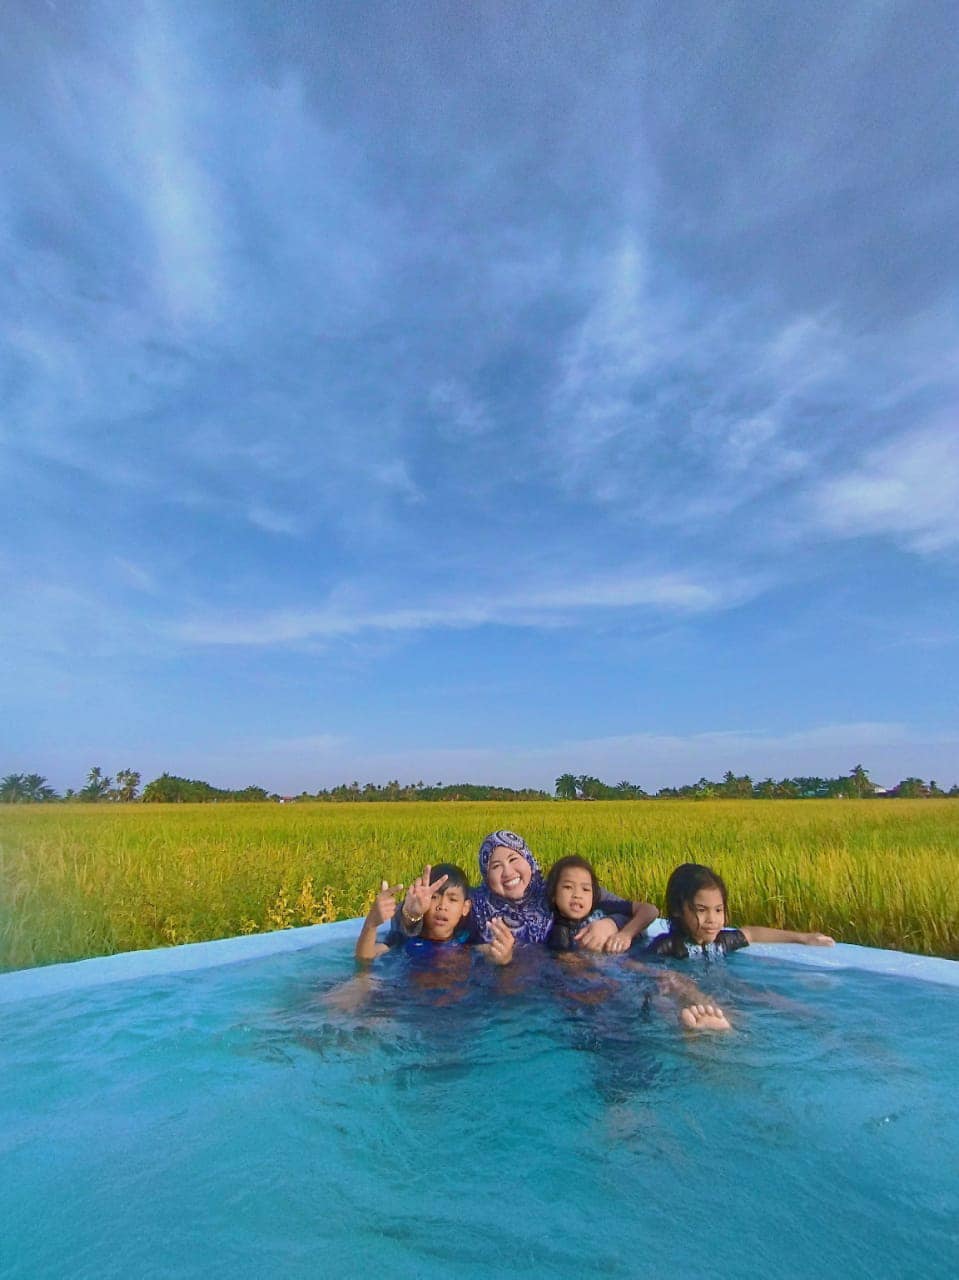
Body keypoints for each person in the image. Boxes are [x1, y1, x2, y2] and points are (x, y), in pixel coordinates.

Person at [397, 831, 658, 950]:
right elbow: (414, 924)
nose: (508, 873)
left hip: (552, 987)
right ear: (487, 877)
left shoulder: (558, 889)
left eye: (514, 860)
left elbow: (633, 910)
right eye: (496, 866)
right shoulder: (474, 902)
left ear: (530, 861)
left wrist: (611, 925)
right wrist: (411, 913)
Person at [646, 863, 835, 959]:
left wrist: (804, 938)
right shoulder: (667, 946)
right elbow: (637, 966)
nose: (712, 919)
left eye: (718, 910)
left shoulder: (722, 943)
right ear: (678, 909)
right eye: (701, 910)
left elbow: (752, 933)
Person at [355, 862, 514, 965]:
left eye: (452, 899)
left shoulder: (466, 940)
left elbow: (495, 955)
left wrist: (505, 957)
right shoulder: (404, 939)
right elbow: (364, 959)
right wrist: (371, 923)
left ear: (465, 908)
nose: (442, 906)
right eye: (434, 897)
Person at [546, 854, 651, 952]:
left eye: (586, 889)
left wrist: (625, 935)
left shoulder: (602, 907)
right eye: (568, 887)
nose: (577, 895)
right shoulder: (553, 928)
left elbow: (650, 911)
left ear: (594, 895)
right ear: (553, 894)